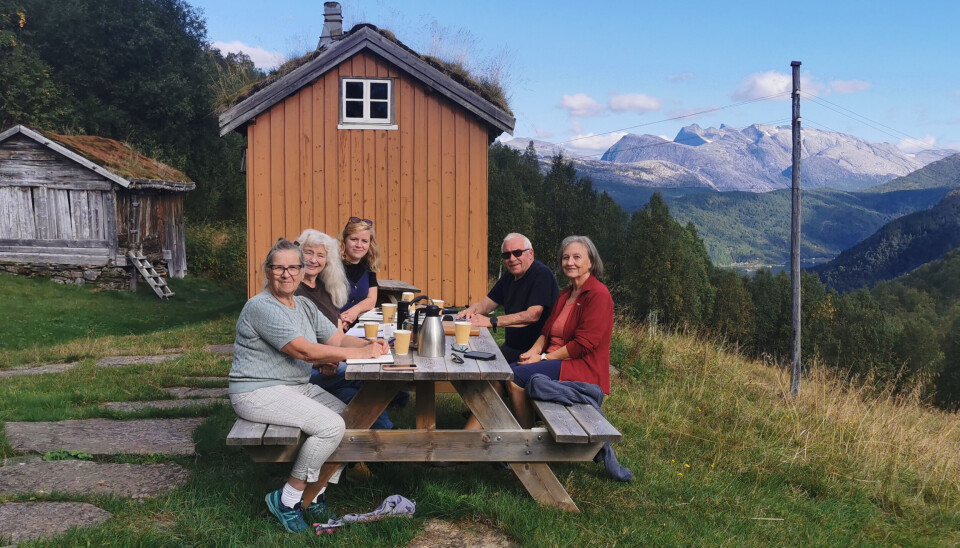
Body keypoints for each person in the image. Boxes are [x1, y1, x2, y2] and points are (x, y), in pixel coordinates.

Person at [229, 239, 388, 533]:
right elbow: (305, 352)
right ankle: (287, 499)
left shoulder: (302, 304)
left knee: (351, 421)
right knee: (330, 426)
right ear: (267, 271)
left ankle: (314, 492)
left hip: (294, 386)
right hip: (257, 392)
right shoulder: (261, 306)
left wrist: (370, 344)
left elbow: (336, 340)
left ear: (302, 272)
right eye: (279, 268)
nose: (286, 274)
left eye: (293, 267)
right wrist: (360, 354)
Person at [294, 228, 398, 431]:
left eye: (321, 255)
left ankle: (380, 435)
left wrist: (370, 344)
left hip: (328, 361)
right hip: (302, 371)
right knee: (368, 378)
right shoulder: (293, 290)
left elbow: (337, 335)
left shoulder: (325, 288)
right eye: (309, 253)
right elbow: (295, 346)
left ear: (328, 260)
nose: (314, 260)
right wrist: (321, 362)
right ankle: (388, 433)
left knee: (350, 393)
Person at [510, 235, 613, 428]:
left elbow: (582, 345)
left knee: (514, 379)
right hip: (555, 360)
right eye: (566, 257)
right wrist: (532, 352)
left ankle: (525, 441)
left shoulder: (599, 294)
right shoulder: (566, 293)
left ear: (590, 262)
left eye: (576, 257)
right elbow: (546, 331)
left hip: (580, 367)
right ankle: (475, 439)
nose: (570, 262)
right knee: (501, 375)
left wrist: (542, 359)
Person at [457, 233, 560, 363]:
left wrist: (492, 321)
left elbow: (533, 315)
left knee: (487, 373)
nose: (512, 259)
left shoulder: (542, 274)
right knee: (471, 362)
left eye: (517, 253)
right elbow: (485, 305)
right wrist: (470, 312)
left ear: (531, 253)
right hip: (511, 347)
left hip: (535, 354)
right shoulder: (509, 276)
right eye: (507, 255)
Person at [338, 217, 380, 330]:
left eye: (364, 241)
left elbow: (371, 300)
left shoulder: (369, 266)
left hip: (356, 326)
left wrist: (354, 312)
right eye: (354, 239)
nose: (359, 245)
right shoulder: (332, 265)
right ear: (344, 240)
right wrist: (340, 320)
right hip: (332, 326)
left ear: (370, 244)